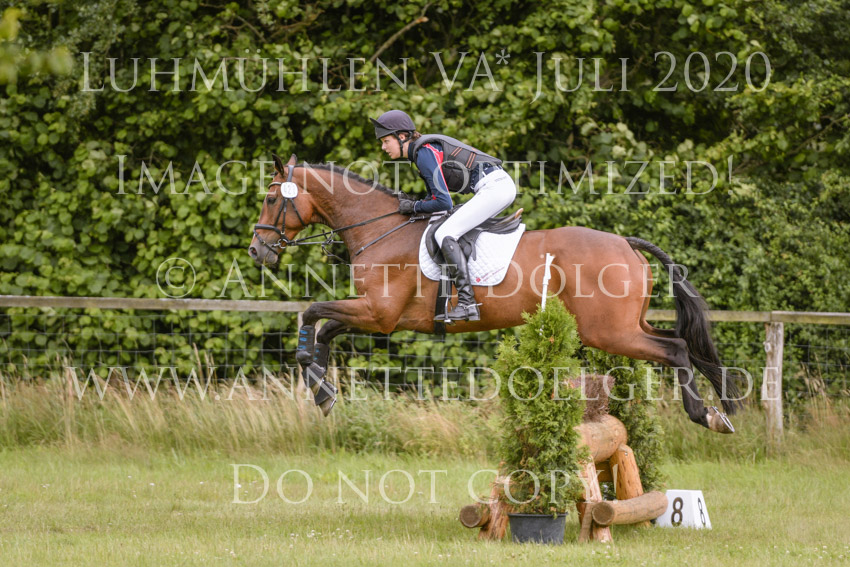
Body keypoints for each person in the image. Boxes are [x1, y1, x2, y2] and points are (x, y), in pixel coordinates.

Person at [370, 110, 517, 322]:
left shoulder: (423, 153)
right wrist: (416, 207)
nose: (383, 148)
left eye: (386, 141)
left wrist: (414, 206)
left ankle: (467, 303)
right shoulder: (423, 152)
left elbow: (443, 202)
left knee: (445, 233)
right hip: (495, 187)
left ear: (402, 136)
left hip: (494, 188)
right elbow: (436, 201)